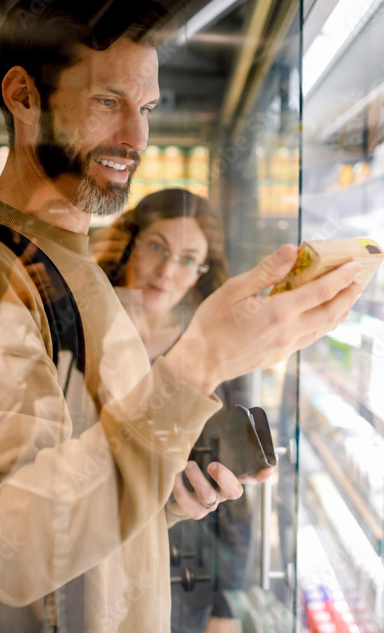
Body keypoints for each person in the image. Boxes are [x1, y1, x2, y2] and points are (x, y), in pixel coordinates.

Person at [0, 0, 363, 633]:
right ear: (24, 96)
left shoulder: (75, 263)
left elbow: (73, 506)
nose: (134, 136)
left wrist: (165, 495)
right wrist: (198, 362)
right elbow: (5, 548)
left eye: (146, 107)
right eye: (108, 100)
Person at [94, 187, 253, 633]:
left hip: (181, 574)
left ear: (202, 272)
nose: (167, 271)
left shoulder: (213, 351)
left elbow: (234, 487)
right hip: (90, 557)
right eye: (157, 247)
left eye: (187, 259)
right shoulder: (86, 322)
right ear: (130, 243)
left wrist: (226, 607)